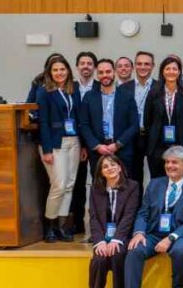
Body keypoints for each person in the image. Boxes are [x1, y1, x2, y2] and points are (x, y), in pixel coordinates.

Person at [116, 146, 183, 288]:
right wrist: (139, 232)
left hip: (179, 235)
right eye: (167, 162)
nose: (169, 166)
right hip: (154, 233)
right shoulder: (154, 184)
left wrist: (171, 238)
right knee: (134, 251)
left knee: (180, 250)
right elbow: (143, 213)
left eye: (174, 162)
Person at [36, 55, 83, 242]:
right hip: (55, 144)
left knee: (69, 185)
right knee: (59, 185)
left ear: (68, 71)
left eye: (62, 69)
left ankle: (62, 227)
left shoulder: (74, 89)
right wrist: (47, 150)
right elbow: (43, 122)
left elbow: (78, 117)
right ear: (49, 72)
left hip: (74, 141)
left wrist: (83, 145)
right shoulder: (44, 91)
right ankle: (50, 225)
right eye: (55, 70)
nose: (59, 73)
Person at [85, 154, 139, 288]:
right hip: (103, 237)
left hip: (123, 236)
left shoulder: (132, 186)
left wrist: (117, 239)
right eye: (105, 166)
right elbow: (93, 217)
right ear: (101, 172)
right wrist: (100, 241)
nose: (110, 168)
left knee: (118, 254)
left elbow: (129, 215)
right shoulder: (95, 189)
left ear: (120, 167)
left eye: (113, 164)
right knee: (99, 259)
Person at [78, 58, 139, 180]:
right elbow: (84, 124)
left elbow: (134, 124)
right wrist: (96, 146)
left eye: (108, 71)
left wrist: (117, 145)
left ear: (114, 72)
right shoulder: (89, 97)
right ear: (97, 74)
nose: (105, 75)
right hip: (98, 151)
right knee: (100, 185)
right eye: (101, 72)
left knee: (123, 185)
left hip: (122, 149)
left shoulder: (127, 96)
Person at [145, 56, 183, 179]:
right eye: (167, 69)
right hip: (157, 146)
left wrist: (181, 132)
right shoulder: (153, 93)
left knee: (179, 180)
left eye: (174, 69)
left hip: (180, 144)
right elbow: (147, 121)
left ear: (179, 72)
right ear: (162, 71)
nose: (171, 72)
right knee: (158, 181)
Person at [119, 51, 158, 188]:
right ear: (134, 66)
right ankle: (136, 201)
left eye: (146, 64)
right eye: (139, 64)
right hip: (132, 137)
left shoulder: (160, 87)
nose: (143, 67)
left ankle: (154, 201)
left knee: (157, 175)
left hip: (153, 137)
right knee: (133, 176)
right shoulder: (123, 88)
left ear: (153, 66)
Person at [70, 51, 98, 237]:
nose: (86, 66)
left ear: (94, 67)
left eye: (89, 63)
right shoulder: (69, 87)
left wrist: (89, 144)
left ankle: (97, 221)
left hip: (95, 142)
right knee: (77, 183)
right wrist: (81, 144)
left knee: (97, 181)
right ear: (77, 66)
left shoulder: (100, 86)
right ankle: (77, 222)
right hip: (74, 141)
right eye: (82, 63)